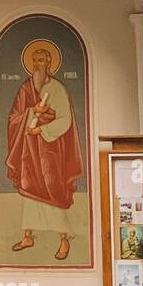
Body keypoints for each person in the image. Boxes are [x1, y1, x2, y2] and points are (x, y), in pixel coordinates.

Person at [5, 41, 84, 262]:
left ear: (49, 62)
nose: (37, 65)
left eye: (41, 60)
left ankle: (63, 239)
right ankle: (28, 236)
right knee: (30, 191)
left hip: (50, 152)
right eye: (34, 61)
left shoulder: (57, 89)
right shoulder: (25, 89)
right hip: (29, 153)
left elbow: (65, 120)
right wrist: (32, 112)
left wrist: (41, 127)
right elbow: (14, 118)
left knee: (53, 191)